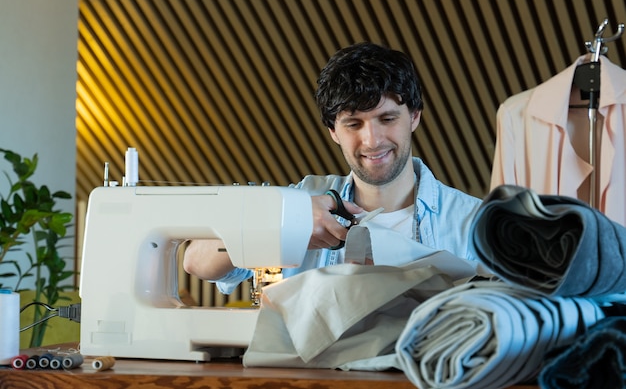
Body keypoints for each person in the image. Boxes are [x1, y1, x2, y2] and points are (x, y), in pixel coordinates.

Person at [183, 41, 482, 294]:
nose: (372, 140)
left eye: (387, 119)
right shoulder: (299, 199)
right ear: (333, 132)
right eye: (354, 124)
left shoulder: (475, 222)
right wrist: (286, 221)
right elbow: (196, 261)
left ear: (414, 117)